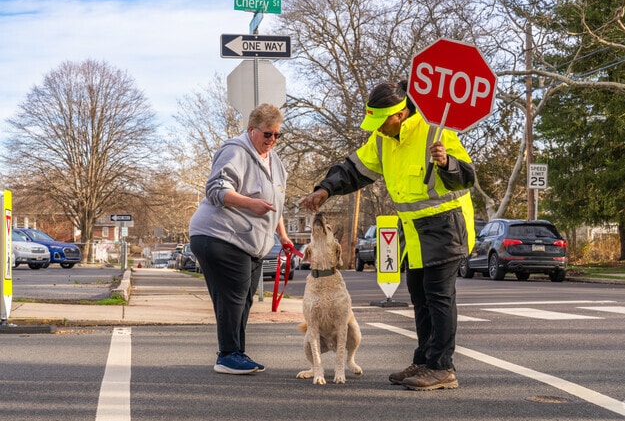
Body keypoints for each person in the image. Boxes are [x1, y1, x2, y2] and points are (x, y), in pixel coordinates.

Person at [300, 80, 476, 390]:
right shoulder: (383, 141)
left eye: (382, 122)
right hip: (414, 229)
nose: (377, 129)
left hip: (445, 225)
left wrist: (446, 162)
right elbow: (353, 169)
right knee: (420, 296)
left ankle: (442, 368)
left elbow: (467, 177)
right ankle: (424, 361)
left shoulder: (437, 132)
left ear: (401, 114)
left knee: (439, 297)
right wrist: (325, 189)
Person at [189, 103, 292, 375]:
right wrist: (249, 203)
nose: (272, 140)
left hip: (250, 243)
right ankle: (227, 355)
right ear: (251, 130)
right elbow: (216, 190)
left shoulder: (275, 163)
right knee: (232, 296)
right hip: (219, 235)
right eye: (267, 134)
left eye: (277, 135)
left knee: (245, 298)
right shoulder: (235, 151)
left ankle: (237, 353)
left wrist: (283, 236)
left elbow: (275, 204)